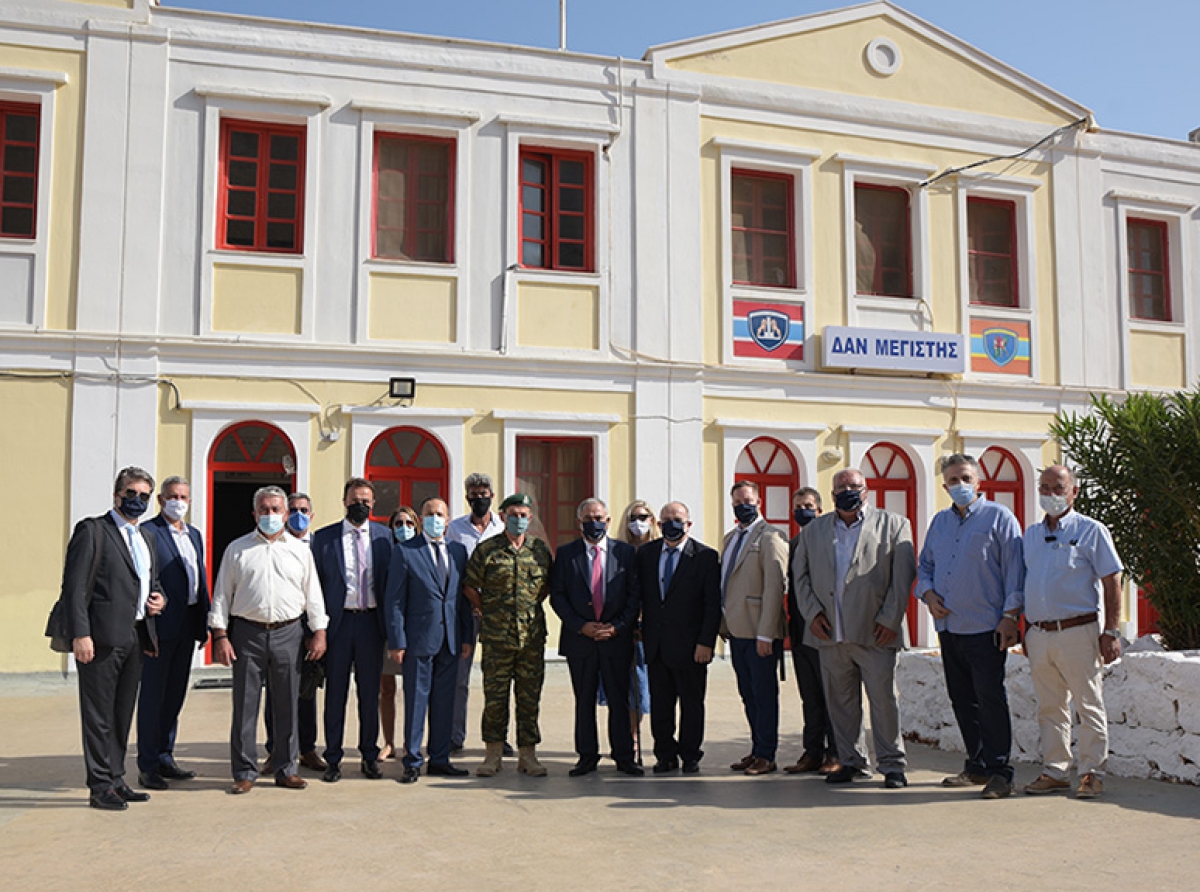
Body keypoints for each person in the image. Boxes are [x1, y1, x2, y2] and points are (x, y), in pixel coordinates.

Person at [794, 468, 916, 789]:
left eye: (854, 485)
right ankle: (851, 761)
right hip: (830, 633)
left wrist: (890, 619)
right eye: (841, 487)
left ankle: (892, 765)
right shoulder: (814, 530)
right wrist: (812, 614)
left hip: (875, 632)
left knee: (883, 702)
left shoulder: (894, 525)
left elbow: (902, 577)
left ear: (866, 490)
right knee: (841, 704)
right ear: (832, 494)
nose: (847, 490)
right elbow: (800, 576)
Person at [1010, 464, 1123, 800]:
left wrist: (1112, 631)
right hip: (1039, 633)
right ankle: (1055, 770)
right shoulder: (1031, 535)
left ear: (1074, 491)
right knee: (1050, 706)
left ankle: (1092, 772)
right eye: (1044, 488)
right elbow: (1025, 582)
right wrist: (1023, 628)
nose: (1051, 494)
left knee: (1088, 704)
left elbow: (1112, 579)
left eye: (1058, 488)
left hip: (1078, 631)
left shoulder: (1091, 530)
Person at [917, 454, 1025, 799]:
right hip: (949, 628)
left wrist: (1010, 617)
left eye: (966, 478)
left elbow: (1014, 571)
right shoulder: (939, 522)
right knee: (962, 699)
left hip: (986, 627)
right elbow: (925, 566)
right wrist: (928, 594)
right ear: (944, 486)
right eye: (953, 480)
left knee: (990, 698)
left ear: (978, 482)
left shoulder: (1000, 518)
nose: (960, 485)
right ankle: (977, 765)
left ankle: (1000, 772)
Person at [58, 466, 166, 810]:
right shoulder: (93, 531)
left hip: (135, 635)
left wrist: (159, 599)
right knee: (98, 715)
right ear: (116, 494)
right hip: (100, 638)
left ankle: (117, 779)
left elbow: (150, 583)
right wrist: (81, 634)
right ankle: (100, 785)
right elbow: (74, 588)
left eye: (144, 496)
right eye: (130, 493)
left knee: (121, 713)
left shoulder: (147, 537)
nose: (137, 500)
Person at [209, 485, 328, 794]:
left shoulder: (300, 551)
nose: (270, 514)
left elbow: (313, 594)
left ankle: (286, 769)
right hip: (247, 633)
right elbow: (221, 595)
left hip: (289, 633)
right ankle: (244, 771)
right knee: (245, 704)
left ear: (285, 514)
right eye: (264, 509)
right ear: (254, 513)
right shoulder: (237, 549)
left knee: (288, 703)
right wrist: (220, 635)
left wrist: (319, 631)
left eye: (276, 509)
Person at [384, 497, 476, 783]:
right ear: (421, 519)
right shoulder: (406, 551)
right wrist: (397, 641)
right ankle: (412, 760)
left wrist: (466, 636)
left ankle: (439, 758)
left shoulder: (458, 551)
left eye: (440, 514)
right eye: (429, 514)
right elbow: (394, 601)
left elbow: (462, 598)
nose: (435, 518)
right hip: (418, 640)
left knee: (444, 702)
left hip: (450, 640)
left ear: (448, 520)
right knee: (416, 701)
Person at [550, 498, 643, 777]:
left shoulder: (625, 553)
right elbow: (558, 596)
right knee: (584, 700)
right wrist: (581, 626)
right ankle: (587, 756)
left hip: (616, 639)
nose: (595, 523)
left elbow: (634, 595)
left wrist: (617, 627)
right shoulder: (566, 554)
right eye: (589, 519)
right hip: (580, 641)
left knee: (619, 699)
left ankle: (624, 756)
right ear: (579, 523)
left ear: (608, 521)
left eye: (599, 518)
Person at [463, 493, 553, 777]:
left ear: (530, 518)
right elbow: (470, 585)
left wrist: (528, 605)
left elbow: (548, 585)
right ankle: (493, 754)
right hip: (496, 638)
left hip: (531, 638)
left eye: (524, 515)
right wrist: (486, 609)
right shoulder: (487, 550)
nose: (519, 520)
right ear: (502, 517)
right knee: (495, 698)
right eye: (513, 515)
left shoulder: (539, 550)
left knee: (529, 698)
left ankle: (528, 755)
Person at [311, 478, 392, 782]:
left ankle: (369, 756)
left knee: (369, 694)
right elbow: (315, 586)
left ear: (373, 504)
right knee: (336, 694)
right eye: (355, 500)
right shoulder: (324, 538)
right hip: (338, 624)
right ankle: (333, 758)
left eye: (366, 501)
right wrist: (316, 629)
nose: (360, 505)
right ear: (344, 501)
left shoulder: (385, 538)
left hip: (371, 623)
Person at [635, 501, 721, 774]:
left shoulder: (705, 557)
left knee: (691, 704)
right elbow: (640, 596)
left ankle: (690, 754)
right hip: (657, 645)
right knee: (661, 706)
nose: (672, 525)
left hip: (692, 647)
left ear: (689, 524)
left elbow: (712, 604)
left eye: (678, 520)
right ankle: (665, 755)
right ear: (659, 525)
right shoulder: (646, 554)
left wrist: (706, 642)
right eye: (667, 520)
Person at [137, 475, 209, 790]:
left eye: (183, 497)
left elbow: (199, 579)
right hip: (160, 627)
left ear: (190, 501)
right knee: (153, 697)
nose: (178, 502)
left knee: (175, 695)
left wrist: (204, 622)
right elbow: (142, 576)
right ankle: (147, 764)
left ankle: (165, 755)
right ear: (161, 500)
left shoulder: (194, 535)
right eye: (172, 496)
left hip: (188, 624)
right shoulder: (148, 532)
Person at [721, 480, 789, 776]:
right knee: (747, 693)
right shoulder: (730, 538)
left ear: (759, 502)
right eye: (737, 502)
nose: (742, 506)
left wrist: (766, 633)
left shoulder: (771, 536)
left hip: (760, 632)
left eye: (747, 501)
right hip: (737, 630)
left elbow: (775, 586)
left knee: (763, 695)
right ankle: (756, 746)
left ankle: (767, 754)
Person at [263, 491, 324, 774]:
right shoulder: (273, 544)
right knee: (275, 691)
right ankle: (275, 749)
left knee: (307, 691)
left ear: (312, 515)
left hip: (313, 628)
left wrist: (318, 629)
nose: (299, 515)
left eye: (304, 510)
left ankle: (307, 748)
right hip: (282, 627)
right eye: (294, 509)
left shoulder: (322, 545)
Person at [445, 472, 506, 755]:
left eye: (483, 494)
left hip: (496, 613)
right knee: (459, 677)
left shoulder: (503, 528)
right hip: (464, 609)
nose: (479, 499)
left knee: (498, 678)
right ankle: (454, 735)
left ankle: (498, 736)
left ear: (492, 496)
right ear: (467, 497)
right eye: (474, 495)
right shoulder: (455, 529)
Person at [783, 487, 839, 776]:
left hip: (825, 630)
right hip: (800, 631)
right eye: (797, 507)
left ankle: (836, 751)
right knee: (810, 695)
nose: (802, 511)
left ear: (820, 510)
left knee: (832, 696)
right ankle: (812, 751)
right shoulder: (794, 544)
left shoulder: (831, 541)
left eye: (808, 506)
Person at [606, 500, 656, 763]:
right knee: (621, 687)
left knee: (642, 686)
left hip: (649, 630)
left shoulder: (657, 550)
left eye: (643, 517)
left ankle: (635, 735)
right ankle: (625, 737)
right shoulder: (619, 552)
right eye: (633, 517)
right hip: (621, 626)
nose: (639, 522)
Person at [380, 506, 419, 759]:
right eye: (398, 524)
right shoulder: (385, 554)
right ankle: (389, 742)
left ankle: (410, 742)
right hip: (387, 630)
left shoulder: (422, 553)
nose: (404, 528)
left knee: (414, 690)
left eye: (409, 523)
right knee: (387, 689)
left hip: (416, 630)